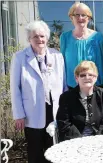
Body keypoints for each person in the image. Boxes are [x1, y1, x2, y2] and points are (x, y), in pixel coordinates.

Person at [10, 20, 66, 163]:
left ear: (47, 37)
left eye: (42, 36)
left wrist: (65, 110)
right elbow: (15, 88)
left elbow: (63, 84)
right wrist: (19, 115)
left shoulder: (57, 56)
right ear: (29, 39)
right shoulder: (20, 57)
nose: (40, 39)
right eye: (35, 37)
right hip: (31, 112)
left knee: (53, 150)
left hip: (54, 109)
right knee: (34, 152)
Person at [56, 61, 103, 141]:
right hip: (74, 140)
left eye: (91, 75)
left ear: (96, 78)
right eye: (82, 75)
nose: (87, 77)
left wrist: (98, 138)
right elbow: (64, 122)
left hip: (100, 138)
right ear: (77, 78)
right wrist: (80, 140)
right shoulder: (66, 97)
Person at [60, 2, 103, 89]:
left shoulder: (98, 37)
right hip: (72, 87)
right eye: (77, 15)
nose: (80, 18)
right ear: (71, 17)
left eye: (83, 15)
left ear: (88, 18)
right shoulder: (65, 37)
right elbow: (61, 63)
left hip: (96, 87)